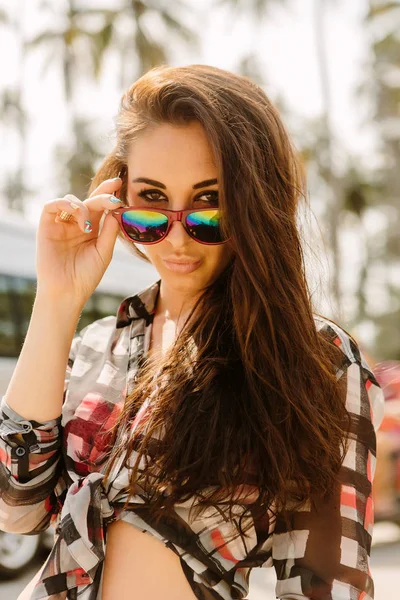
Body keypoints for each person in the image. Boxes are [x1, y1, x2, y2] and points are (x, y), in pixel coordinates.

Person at [0, 64, 384, 600]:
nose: (177, 238)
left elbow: (328, 586)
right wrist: (57, 299)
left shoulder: (314, 361)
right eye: (152, 203)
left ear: (255, 204)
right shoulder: (96, 347)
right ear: (121, 199)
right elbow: (16, 512)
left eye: (209, 204)